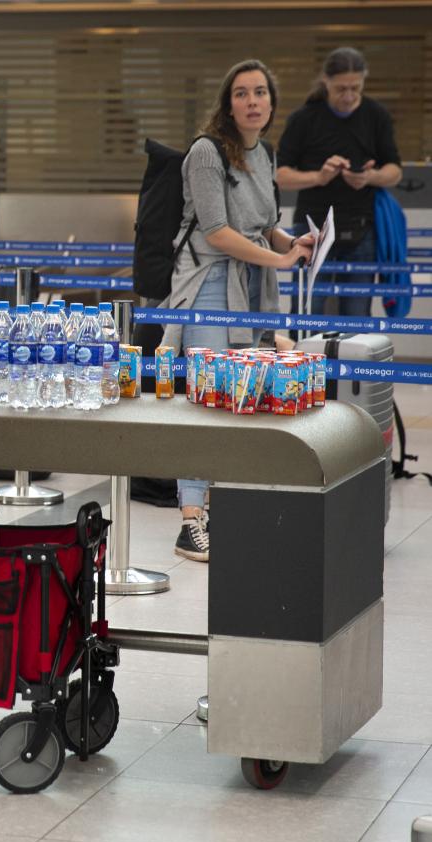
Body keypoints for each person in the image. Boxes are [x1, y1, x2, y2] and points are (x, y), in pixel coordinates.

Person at [164, 59, 312, 562]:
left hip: (250, 286)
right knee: (204, 402)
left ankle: (222, 506)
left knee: (240, 401)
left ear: (272, 102)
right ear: (228, 104)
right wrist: (280, 258)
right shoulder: (207, 153)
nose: (253, 102)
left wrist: (295, 243)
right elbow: (217, 232)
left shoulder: (264, 153)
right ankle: (189, 518)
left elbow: (265, 225)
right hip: (209, 284)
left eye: (261, 93)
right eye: (242, 93)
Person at [277, 47, 403, 318]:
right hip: (313, 228)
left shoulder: (375, 115)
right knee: (307, 312)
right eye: (341, 89)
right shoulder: (305, 118)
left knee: (357, 318)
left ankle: (354, 363)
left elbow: (395, 170)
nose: (348, 97)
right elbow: (280, 175)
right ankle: (305, 361)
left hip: (362, 228)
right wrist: (318, 177)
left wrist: (370, 177)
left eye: (355, 88)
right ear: (326, 81)